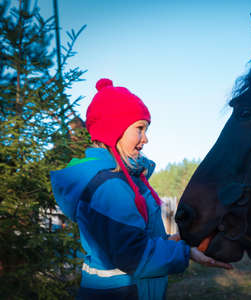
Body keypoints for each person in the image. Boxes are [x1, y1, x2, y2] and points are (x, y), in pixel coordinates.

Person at [50, 78, 231, 300]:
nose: (146, 138)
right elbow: (132, 255)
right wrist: (186, 253)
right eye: (139, 128)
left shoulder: (124, 180)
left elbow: (132, 238)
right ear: (113, 130)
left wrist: (172, 241)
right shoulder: (110, 187)